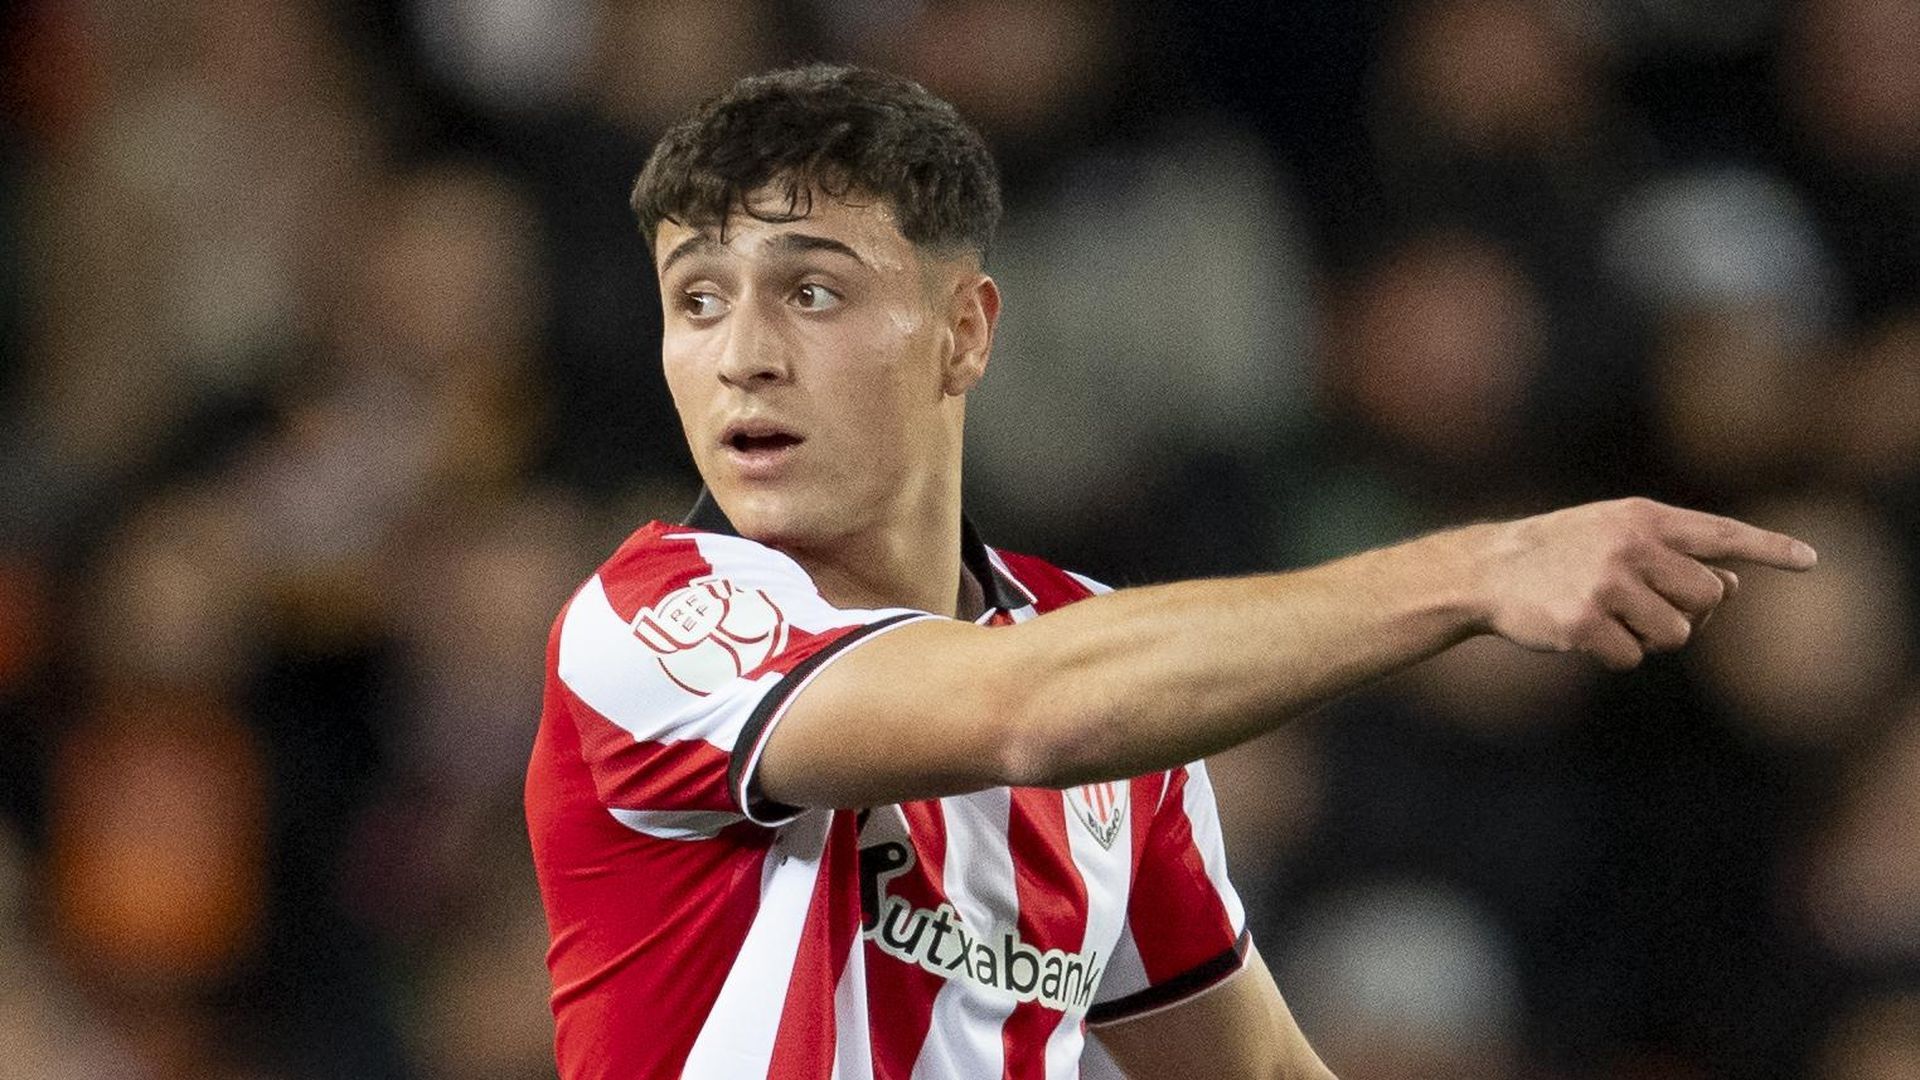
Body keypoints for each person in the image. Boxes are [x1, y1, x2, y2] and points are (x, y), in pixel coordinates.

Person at [523, 64, 1817, 1079]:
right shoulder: (651, 625)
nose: (741, 353)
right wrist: (1478, 572)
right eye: (698, 300)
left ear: (965, 332)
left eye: (810, 293)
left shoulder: (1094, 665)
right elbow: (1031, 710)